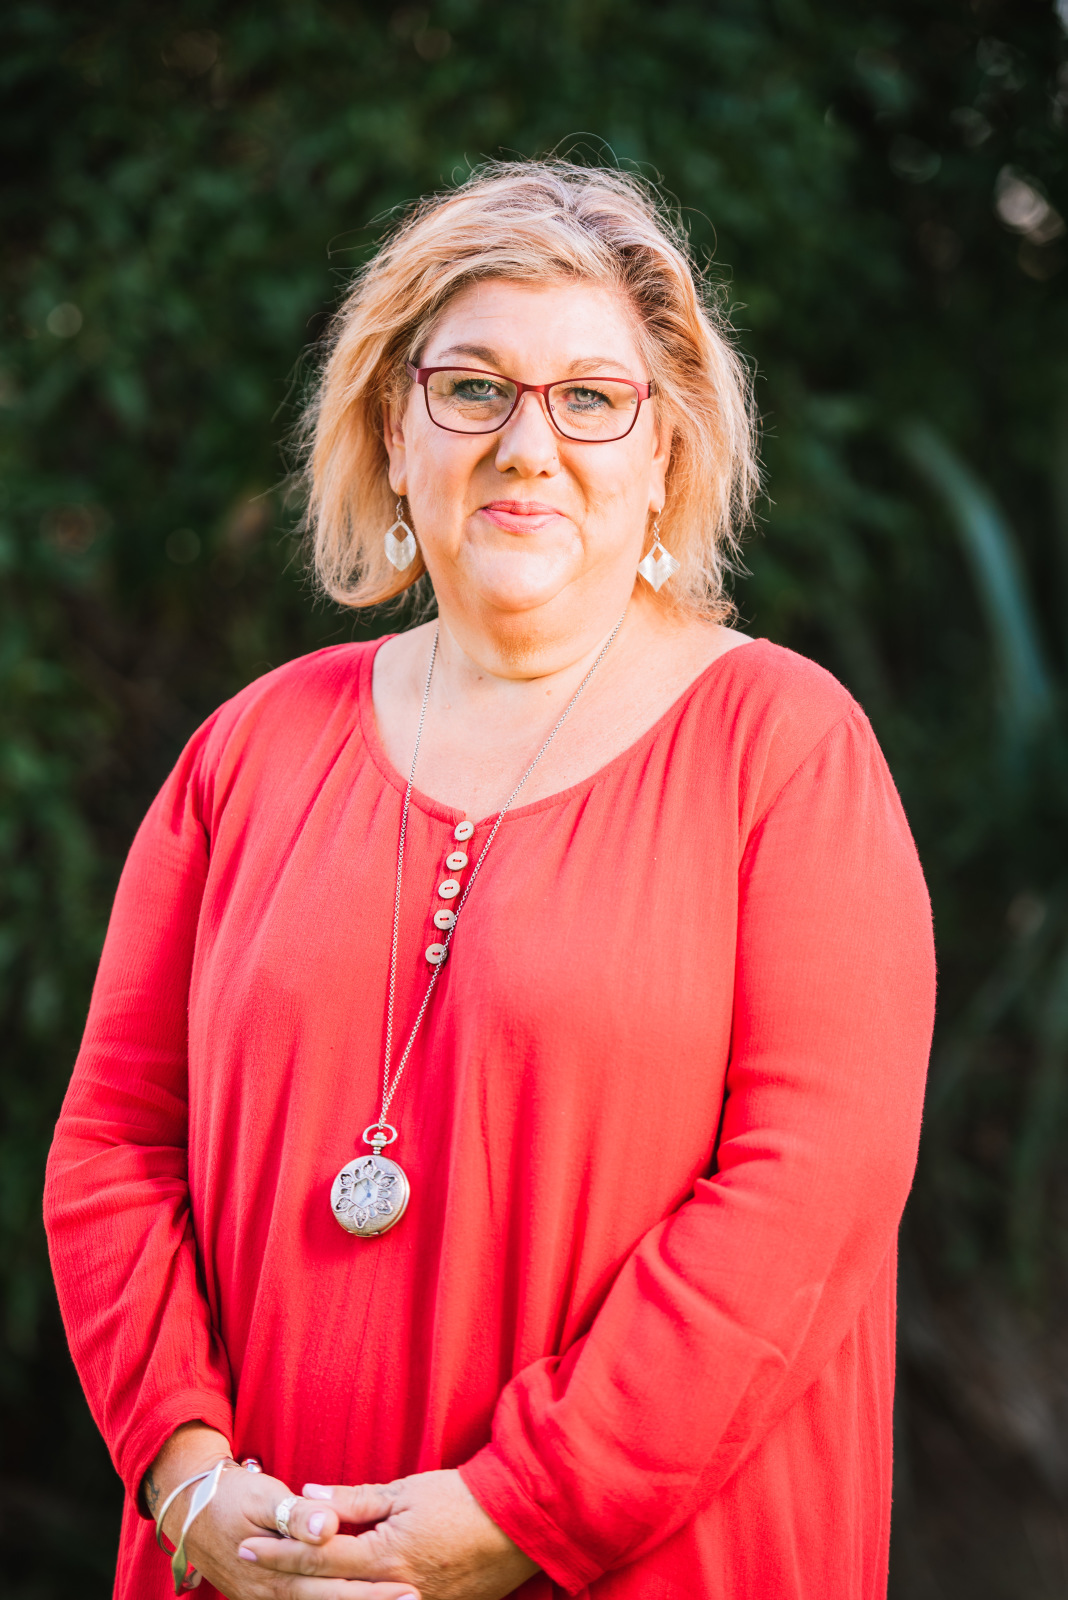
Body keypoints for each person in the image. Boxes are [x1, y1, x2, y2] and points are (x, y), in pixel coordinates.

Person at [44, 159, 935, 1600]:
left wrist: (523, 1513)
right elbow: (112, 1148)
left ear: (665, 457)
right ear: (395, 435)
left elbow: (810, 1196)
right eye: (472, 390)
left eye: (590, 399)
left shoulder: (784, 750)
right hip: (252, 1565)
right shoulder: (247, 750)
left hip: (635, 1562)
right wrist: (188, 1479)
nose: (530, 445)